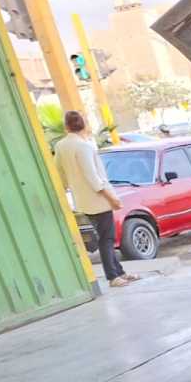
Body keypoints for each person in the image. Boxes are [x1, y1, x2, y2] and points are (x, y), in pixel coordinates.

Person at [54, 111, 139, 288]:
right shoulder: (83, 146)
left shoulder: (61, 145)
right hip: (98, 199)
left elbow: (60, 173)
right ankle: (113, 277)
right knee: (106, 239)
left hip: (81, 200)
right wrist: (112, 198)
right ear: (83, 125)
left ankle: (119, 273)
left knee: (103, 238)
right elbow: (93, 177)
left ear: (66, 126)